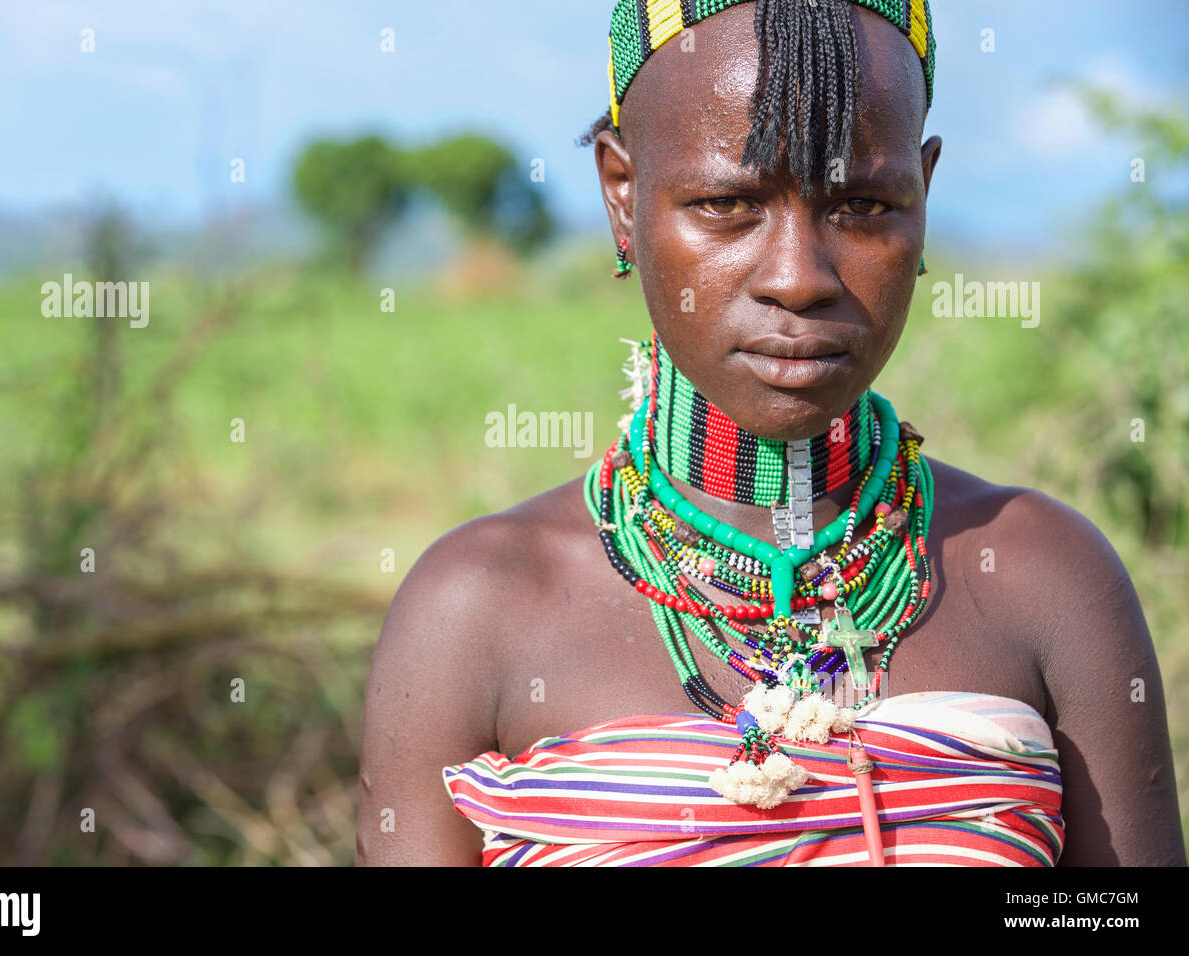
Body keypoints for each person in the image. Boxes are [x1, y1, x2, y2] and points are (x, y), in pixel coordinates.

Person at [357, 0, 1184, 866]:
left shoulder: (1048, 580)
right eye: (725, 202)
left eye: (864, 204)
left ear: (925, 196)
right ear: (621, 194)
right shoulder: (472, 612)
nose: (798, 278)